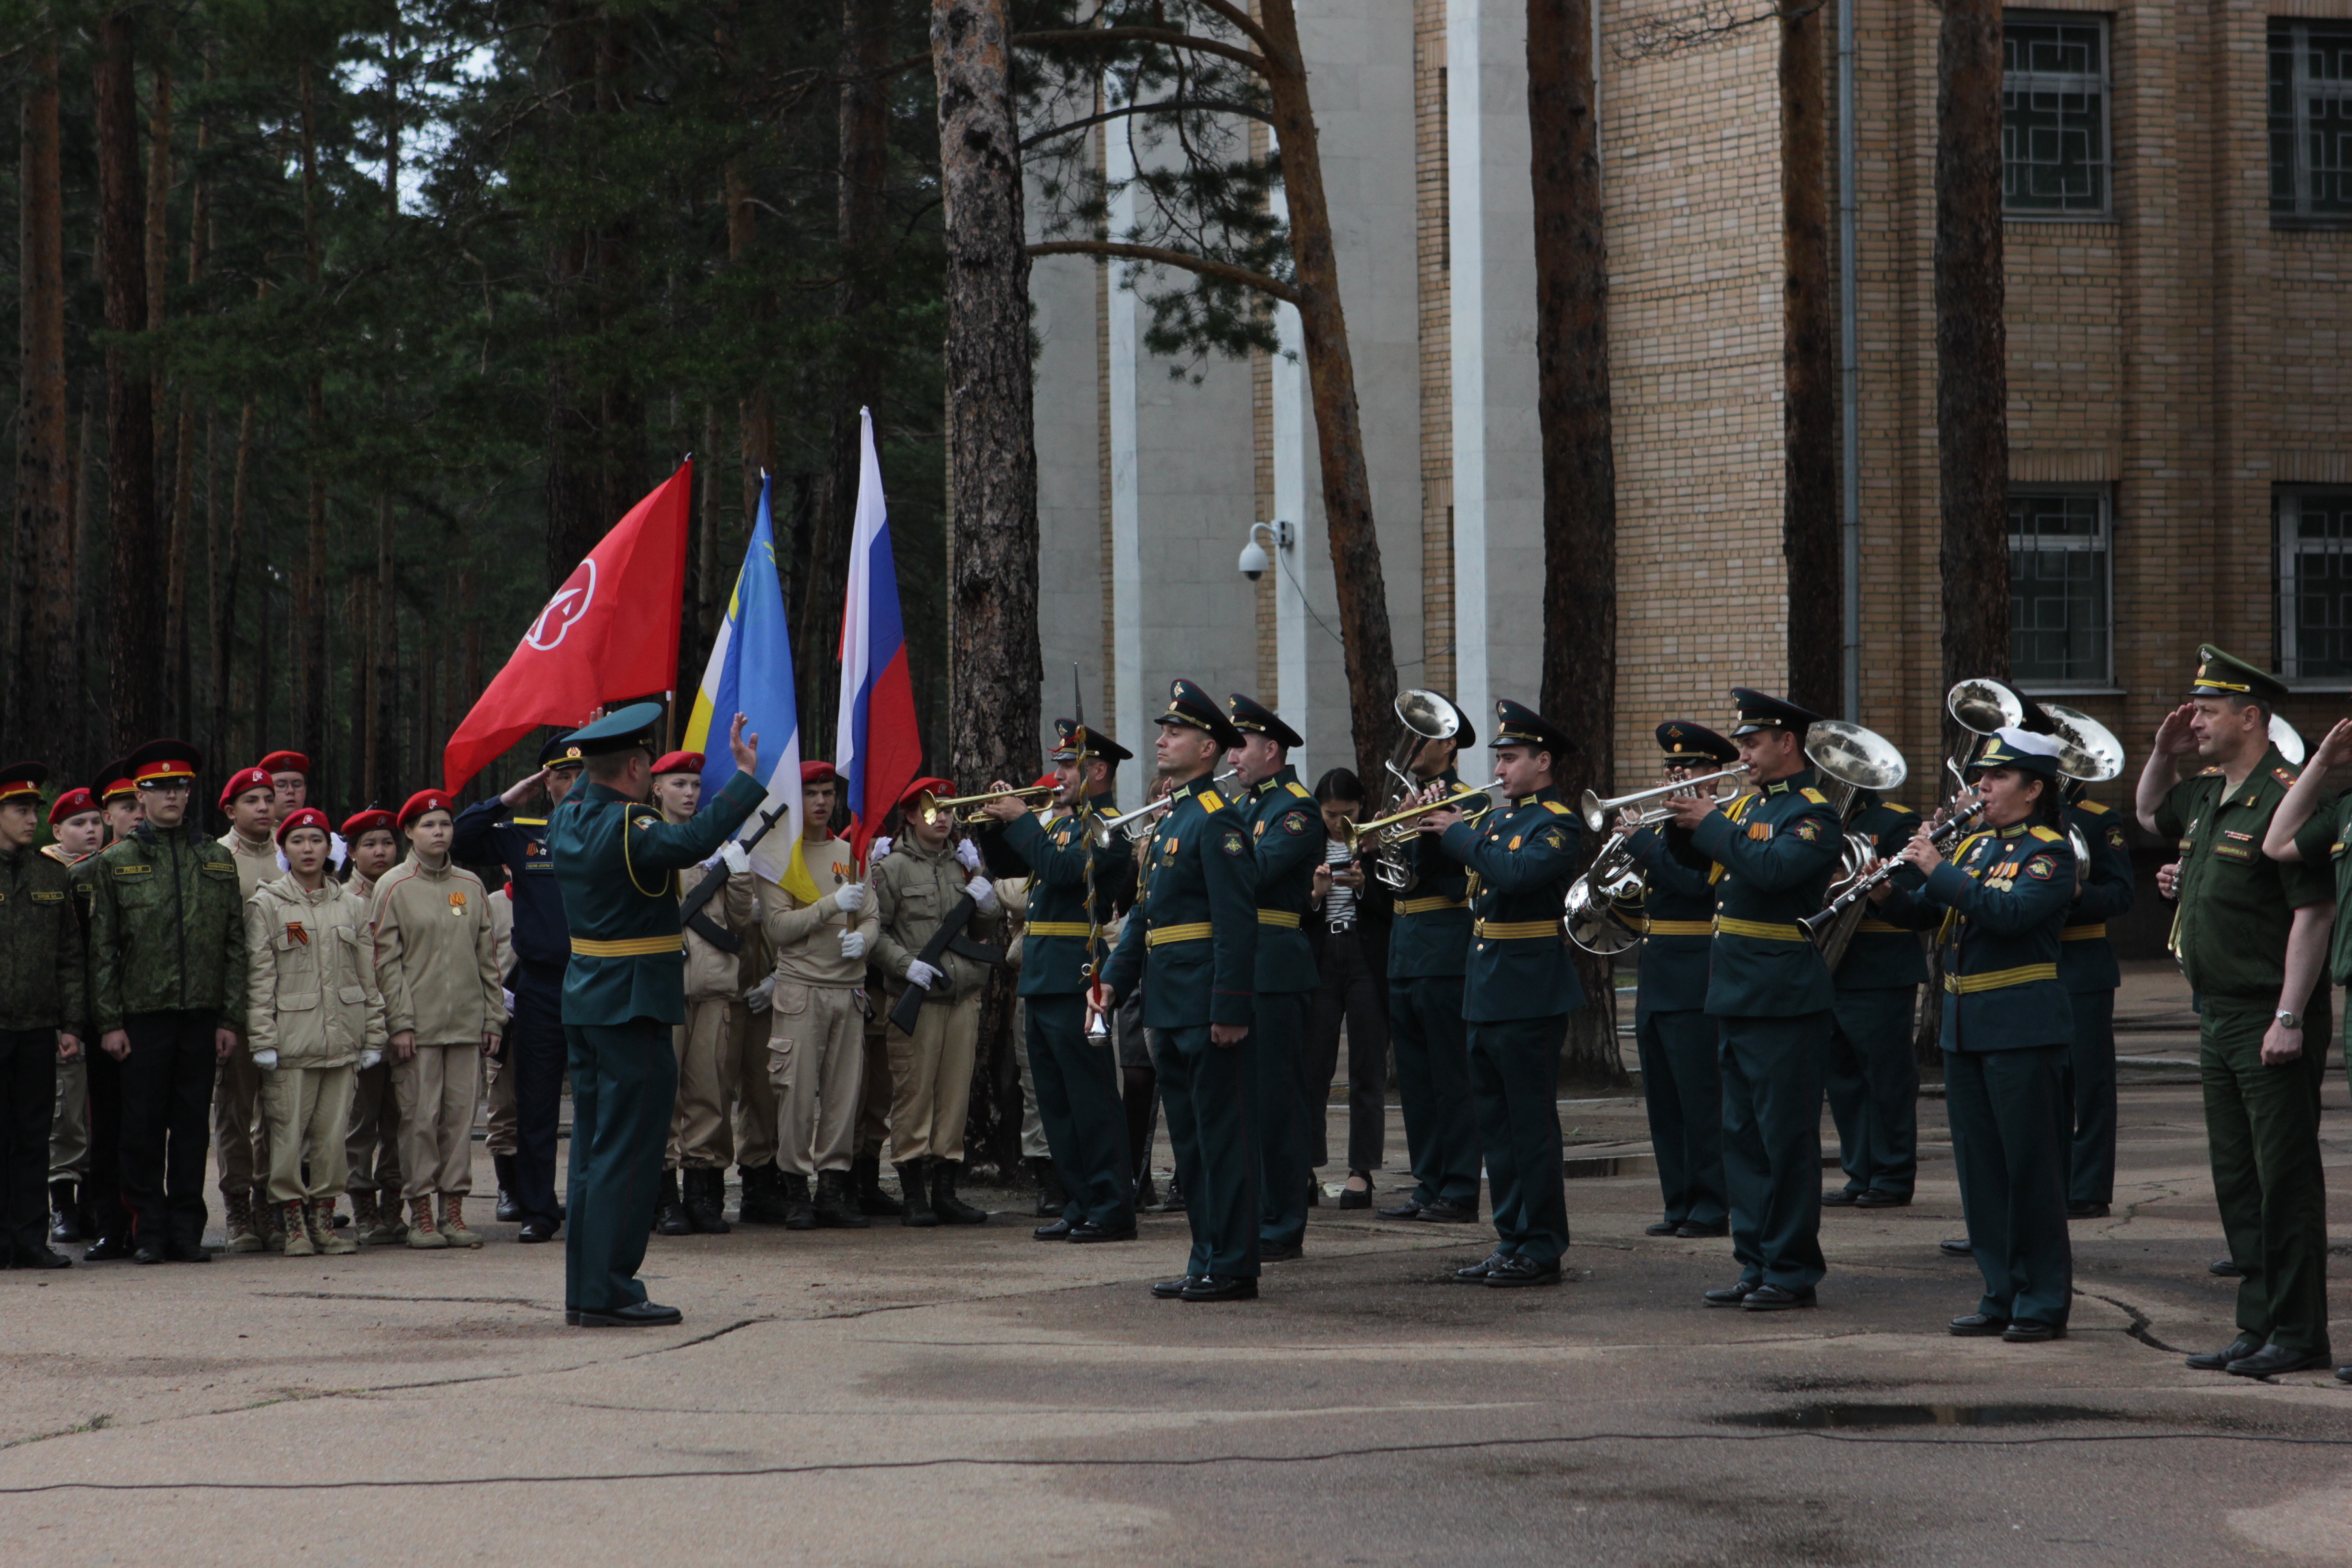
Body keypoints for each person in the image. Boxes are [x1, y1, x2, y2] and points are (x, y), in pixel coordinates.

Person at [2141, 647, 2334, 1378]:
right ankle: (2257, 1323)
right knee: (2238, 1177)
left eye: (2209, 710)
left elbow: (2311, 916)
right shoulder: (2204, 793)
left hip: (2265, 1014)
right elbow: (2147, 811)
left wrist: (2289, 1016)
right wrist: (2161, 751)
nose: (2195, 719)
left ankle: (2300, 1331)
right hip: (2216, 1011)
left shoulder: (2287, 795)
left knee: (2283, 1177)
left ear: (2251, 718)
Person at [548, 704, 764, 1327]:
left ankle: (588, 1286)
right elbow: (693, 842)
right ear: (639, 768)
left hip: (587, 995)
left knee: (592, 1148)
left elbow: (597, 791)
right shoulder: (629, 825)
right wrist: (745, 779)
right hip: (634, 1000)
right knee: (630, 1149)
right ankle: (610, 1289)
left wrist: (594, 756)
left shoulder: (567, 818)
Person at [1872, 730, 2077, 1341]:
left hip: (2021, 1029)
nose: (1981, 788)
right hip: (1967, 1031)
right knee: (1982, 1173)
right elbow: (1932, 912)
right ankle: (2001, 1293)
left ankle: (2041, 1301)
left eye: (1997, 779)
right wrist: (1884, 891)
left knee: (2030, 1172)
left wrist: (1937, 869)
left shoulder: (2051, 852)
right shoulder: (1979, 845)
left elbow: (2008, 914)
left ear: (2034, 789)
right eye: (1981, 778)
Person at [1664, 689, 1844, 1311]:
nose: (1740, 752)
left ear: (1787, 744)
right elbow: (1701, 867)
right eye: (1739, 742)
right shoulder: (1743, 806)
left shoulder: (1814, 814)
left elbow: (1770, 872)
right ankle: (1755, 1260)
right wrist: (1679, 819)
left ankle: (1792, 1269)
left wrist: (1713, 824)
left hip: (1783, 995)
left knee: (1784, 1141)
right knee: (1739, 1137)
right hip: (1736, 990)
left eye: (1751, 742)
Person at [1094, 679, 1260, 1301]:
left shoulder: (1218, 823)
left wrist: (1230, 1007)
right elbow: (1146, 918)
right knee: (1188, 1142)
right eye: (1164, 731)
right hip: (1169, 1001)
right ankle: (1206, 1256)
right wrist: (1114, 980)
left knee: (1221, 1136)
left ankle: (1235, 1262)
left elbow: (1236, 926)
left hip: (1206, 1005)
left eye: (1175, 732)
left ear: (1209, 749)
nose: (1162, 740)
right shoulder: (1171, 825)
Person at [1418, 700, 1584, 1288]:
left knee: (1530, 1128)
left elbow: (1515, 877)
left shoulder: (1558, 821)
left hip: (1530, 990)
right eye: (1500, 758)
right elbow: (1455, 880)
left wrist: (1461, 836)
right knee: (1497, 1127)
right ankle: (1512, 1237)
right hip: (1487, 987)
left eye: (1511, 758)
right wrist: (1424, 829)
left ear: (1543, 761)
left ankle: (1541, 1246)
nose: (1501, 768)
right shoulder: (1494, 822)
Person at [86, 740, 246, 1264]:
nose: (172, 796)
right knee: (142, 1129)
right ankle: (148, 1230)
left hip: (201, 1015)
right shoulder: (119, 862)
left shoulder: (217, 859)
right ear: (141, 796)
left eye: (180, 787)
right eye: (160, 789)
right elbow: (104, 948)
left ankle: (186, 1230)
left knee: (192, 1129)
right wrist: (109, 1021)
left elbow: (233, 944)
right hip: (143, 1016)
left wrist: (229, 1017)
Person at [979, 721, 1139, 1244]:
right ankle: (1080, 1200)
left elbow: (1067, 873)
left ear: (1098, 771)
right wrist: (996, 821)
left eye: (1069, 766)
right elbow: (1013, 862)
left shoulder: (1110, 828)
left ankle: (1113, 1205)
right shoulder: (1061, 822)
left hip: (1080, 977)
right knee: (1055, 1103)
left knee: (1091, 1099)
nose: (1058, 774)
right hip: (1042, 975)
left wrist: (1025, 821)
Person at [452, 734, 583, 1244]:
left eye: (581, 775)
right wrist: (507, 800)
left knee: (598, 1100)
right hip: (543, 987)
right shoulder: (523, 833)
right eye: (561, 776)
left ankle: (595, 1201)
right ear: (545, 781)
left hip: (598, 980)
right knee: (536, 1102)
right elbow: (462, 838)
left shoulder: (614, 827)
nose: (572, 786)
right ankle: (537, 1209)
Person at [370, 788, 505, 1250]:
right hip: (419, 1029)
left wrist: (493, 1018)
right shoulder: (394, 886)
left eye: (445, 824)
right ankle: (421, 1213)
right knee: (420, 1121)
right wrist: (400, 1023)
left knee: (459, 1121)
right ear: (408, 832)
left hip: (467, 1027)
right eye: (428, 825)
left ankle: (455, 1211)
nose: (439, 832)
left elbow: (487, 959)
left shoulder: (469, 886)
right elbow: (385, 962)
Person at [244, 806, 382, 1259]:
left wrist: (373, 1035)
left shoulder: (352, 905)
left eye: (317, 841)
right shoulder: (267, 904)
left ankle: (324, 1221)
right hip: (290, 1043)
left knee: (331, 1139)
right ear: (284, 850)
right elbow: (260, 978)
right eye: (298, 842)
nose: (308, 849)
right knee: (286, 1138)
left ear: (331, 849)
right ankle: (291, 1223)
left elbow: (368, 977)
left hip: (342, 1039)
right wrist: (262, 1039)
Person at [1617, 723, 1735, 1239]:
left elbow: (1693, 888)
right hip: (1657, 967)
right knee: (1663, 1100)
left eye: (1687, 768)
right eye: (1670, 767)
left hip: (1695, 968)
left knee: (1699, 1097)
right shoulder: (1664, 826)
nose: (1676, 775)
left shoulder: (1720, 827)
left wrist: (1643, 847)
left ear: (1714, 774)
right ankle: (1679, 1202)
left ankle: (1711, 1206)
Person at [872, 778, 1007, 1227]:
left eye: (948, 809)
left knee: (954, 1095)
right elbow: (875, 933)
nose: (943, 817)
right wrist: (903, 964)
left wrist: (983, 899)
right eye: (931, 809)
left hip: (962, 996)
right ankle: (913, 1193)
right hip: (918, 998)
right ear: (909, 816)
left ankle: (946, 1190)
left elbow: (982, 933)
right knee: (914, 1093)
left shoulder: (961, 865)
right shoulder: (891, 869)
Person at [753, 761, 879, 1229]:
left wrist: (863, 940)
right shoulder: (779, 858)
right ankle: (796, 1192)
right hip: (802, 989)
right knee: (798, 1096)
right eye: (812, 794)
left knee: (844, 1097)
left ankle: (833, 1189)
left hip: (847, 991)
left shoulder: (852, 854)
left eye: (828, 792)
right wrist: (830, 905)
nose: (823, 802)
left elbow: (871, 916)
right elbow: (778, 926)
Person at [1225, 693, 1326, 1262]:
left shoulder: (1295, 807)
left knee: (1278, 1103)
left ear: (1273, 748)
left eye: (1242, 746)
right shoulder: (1243, 806)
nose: (1233, 756)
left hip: (1275, 964)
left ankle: (1283, 1223)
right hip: (1244, 962)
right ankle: (1257, 1211)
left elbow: (1255, 872)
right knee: (1246, 1102)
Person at [1380, 696, 1482, 1226]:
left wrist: (1420, 837)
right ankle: (1429, 1181)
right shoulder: (1408, 798)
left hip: (1445, 950)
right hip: (1406, 950)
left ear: (1446, 744)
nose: (1410, 747)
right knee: (1416, 1080)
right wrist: (1380, 842)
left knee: (1450, 1076)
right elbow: (1392, 885)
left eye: (1420, 737)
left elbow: (1460, 883)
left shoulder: (1465, 803)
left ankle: (1461, 1186)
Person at [647, 751, 755, 1237]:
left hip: (713, 987)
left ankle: (702, 1196)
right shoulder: (649, 841)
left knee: (710, 1093)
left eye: (695, 785)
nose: (689, 793)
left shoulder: (717, 845)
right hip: (665, 988)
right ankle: (664, 1198)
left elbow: (737, 922)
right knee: (663, 1097)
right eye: (678, 784)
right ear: (657, 790)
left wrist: (739, 871)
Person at [1822, 785, 1928, 1210]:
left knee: (1886, 1078)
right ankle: (1859, 1172)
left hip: (1879, 967)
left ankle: (1893, 1175)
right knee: (1844, 1080)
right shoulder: (1815, 819)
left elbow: (1915, 882)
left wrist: (1866, 885)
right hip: (1833, 964)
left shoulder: (1894, 821)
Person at [0, 763, 84, 1269]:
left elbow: (69, 958)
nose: (32, 820)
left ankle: (30, 1237)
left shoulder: (51, 876)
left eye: (34, 810)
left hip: (35, 1027)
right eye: (19, 810)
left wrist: (72, 1026)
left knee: (34, 1136)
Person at [1302, 768, 1391, 1209]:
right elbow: (1294, 908)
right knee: (1313, 1066)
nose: (1338, 823)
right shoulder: (1307, 843)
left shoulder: (1375, 840)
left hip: (1363, 956)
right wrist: (1316, 896)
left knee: (1367, 1067)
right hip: (1322, 956)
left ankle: (1362, 1170)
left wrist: (1364, 888)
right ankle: (1306, 1165)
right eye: (1330, 814)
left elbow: (1394, 905)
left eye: (1348, 814)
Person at [2056, 768, 2136, 1218]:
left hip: (2080, 965)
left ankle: (2087, 1188)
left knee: (2088, 1085)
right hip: (2025, 966)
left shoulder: (2096, 820)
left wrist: (2077, 892)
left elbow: (2122, 895)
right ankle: (2046, 1184)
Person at [76, 761, 142, 1260]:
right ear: (106, 815)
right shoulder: (83, 877)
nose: (138, 814)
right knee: (106, 1128)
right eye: (127, 807)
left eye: (143, 805)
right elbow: (77, 956)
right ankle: (108, 1223)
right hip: (104, 1021)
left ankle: (145, 1220)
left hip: (153, 1015)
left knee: (147, 1124)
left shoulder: (169, 867)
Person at [215, 763, 280, 1252]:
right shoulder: (216, 858)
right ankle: (237, 1205)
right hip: (236, 998)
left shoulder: (295, 850)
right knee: (237, 1107)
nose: (263, 807)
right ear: (231, 809)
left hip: (288, 1000)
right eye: (252, 801)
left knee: (282, 1106)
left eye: (268, 798)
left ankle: (272, 1202)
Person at [338, 808, 406, 1243]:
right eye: (369, 844)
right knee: (361, 1119)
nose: (380, 851)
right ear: (351, 851)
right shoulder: (342, 899)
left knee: (401, 1119)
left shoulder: (406, 890)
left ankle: (392, 1207)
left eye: (385, 842)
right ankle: (362, 1206)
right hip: (360, 1024)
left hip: (404, 1022)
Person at [43, 786, 103, 1246]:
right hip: (60, 1013)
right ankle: (62, 1201)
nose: (90, 830)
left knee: (98, 1112)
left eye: (96, 822)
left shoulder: (109, 870)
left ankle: (96, 1203)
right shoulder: (48, 874)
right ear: (57, 830)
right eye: (79, 824)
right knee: (64, 1113)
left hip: (105, 1010)